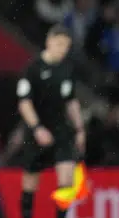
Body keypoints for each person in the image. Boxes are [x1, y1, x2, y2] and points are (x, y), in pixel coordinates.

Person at [16, 24, 86, 218]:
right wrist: (37, 128)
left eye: (66, 46)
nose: (63, 49)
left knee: (67, 180)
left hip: (61, 128)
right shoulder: (33, 68)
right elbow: (24, 102)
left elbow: (71, 101)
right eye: (59, 44)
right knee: (31, 181)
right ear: (49, 41)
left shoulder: (67, 69)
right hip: (37, 129)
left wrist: (80, 129)